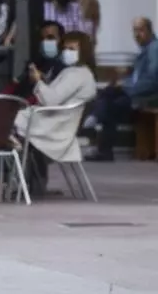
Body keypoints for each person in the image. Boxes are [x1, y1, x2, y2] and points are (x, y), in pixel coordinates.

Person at [14, 31, 97, 195]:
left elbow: (51, 100)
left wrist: (38, 81)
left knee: (0, 132)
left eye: (72, 49)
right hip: (53, 122)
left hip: (52, 126)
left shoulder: (77, 75)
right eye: (65, 48)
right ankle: (23, 183)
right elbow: (57, 95)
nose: (67, 52)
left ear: (83, 51)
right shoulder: (77, 73)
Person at [89, 17, 158, 161]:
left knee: (109, 105)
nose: (137, 35)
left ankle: (96, 121)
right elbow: (137, 78)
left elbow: (152, 81)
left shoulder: (154, 49)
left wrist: (125, 86)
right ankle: (96, 119)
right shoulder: (145, 50)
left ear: (150, 31)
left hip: (147, 96)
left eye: (140, 30)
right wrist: (124, 81)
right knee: (107, 94)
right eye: (134, 31)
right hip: (136, 92)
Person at [4, 20, 66, 102]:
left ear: (61, 40)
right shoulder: (36, 64)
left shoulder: (67, 65)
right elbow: (16, 93)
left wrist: (41, 80)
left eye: (50, 38)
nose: (45, 42)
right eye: (42, 39)